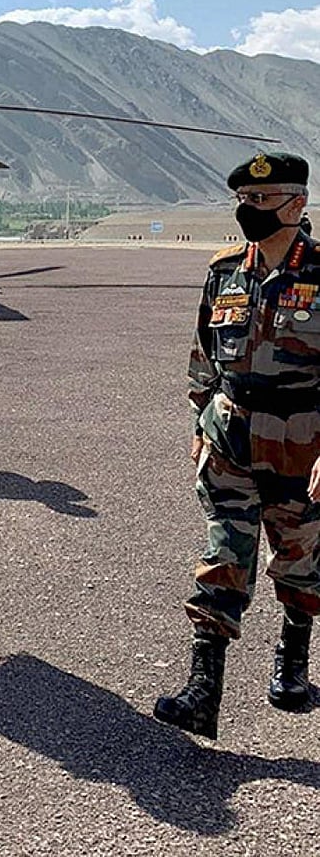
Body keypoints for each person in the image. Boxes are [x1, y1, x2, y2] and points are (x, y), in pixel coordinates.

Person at [154, 152, 320, 739]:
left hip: (302, 444)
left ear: (297, 204)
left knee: (300, 561)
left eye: (262, 200)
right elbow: (204, 354)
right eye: (244, 201)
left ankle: (293, 666)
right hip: (232, 437)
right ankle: (203, 691)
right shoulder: (225, 269)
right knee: (224, 555)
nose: (249, 210)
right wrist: (200, 423)